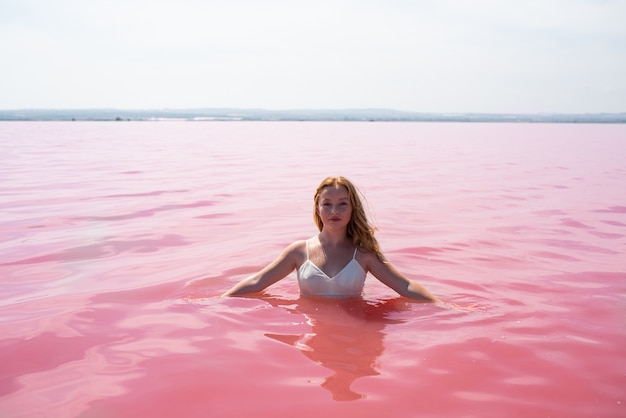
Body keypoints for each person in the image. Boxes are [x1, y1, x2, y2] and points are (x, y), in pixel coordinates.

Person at [222, 176, 440, 302]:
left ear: (352, 208)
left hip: (356, 331)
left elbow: (406, 285)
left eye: (342, 203)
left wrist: (447, 308)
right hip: (313, 333)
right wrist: (217, 302)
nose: (334, 210)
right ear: (318, 208)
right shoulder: (299, 252)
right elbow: (256, 282)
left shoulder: (364, 253)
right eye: (327, 204)